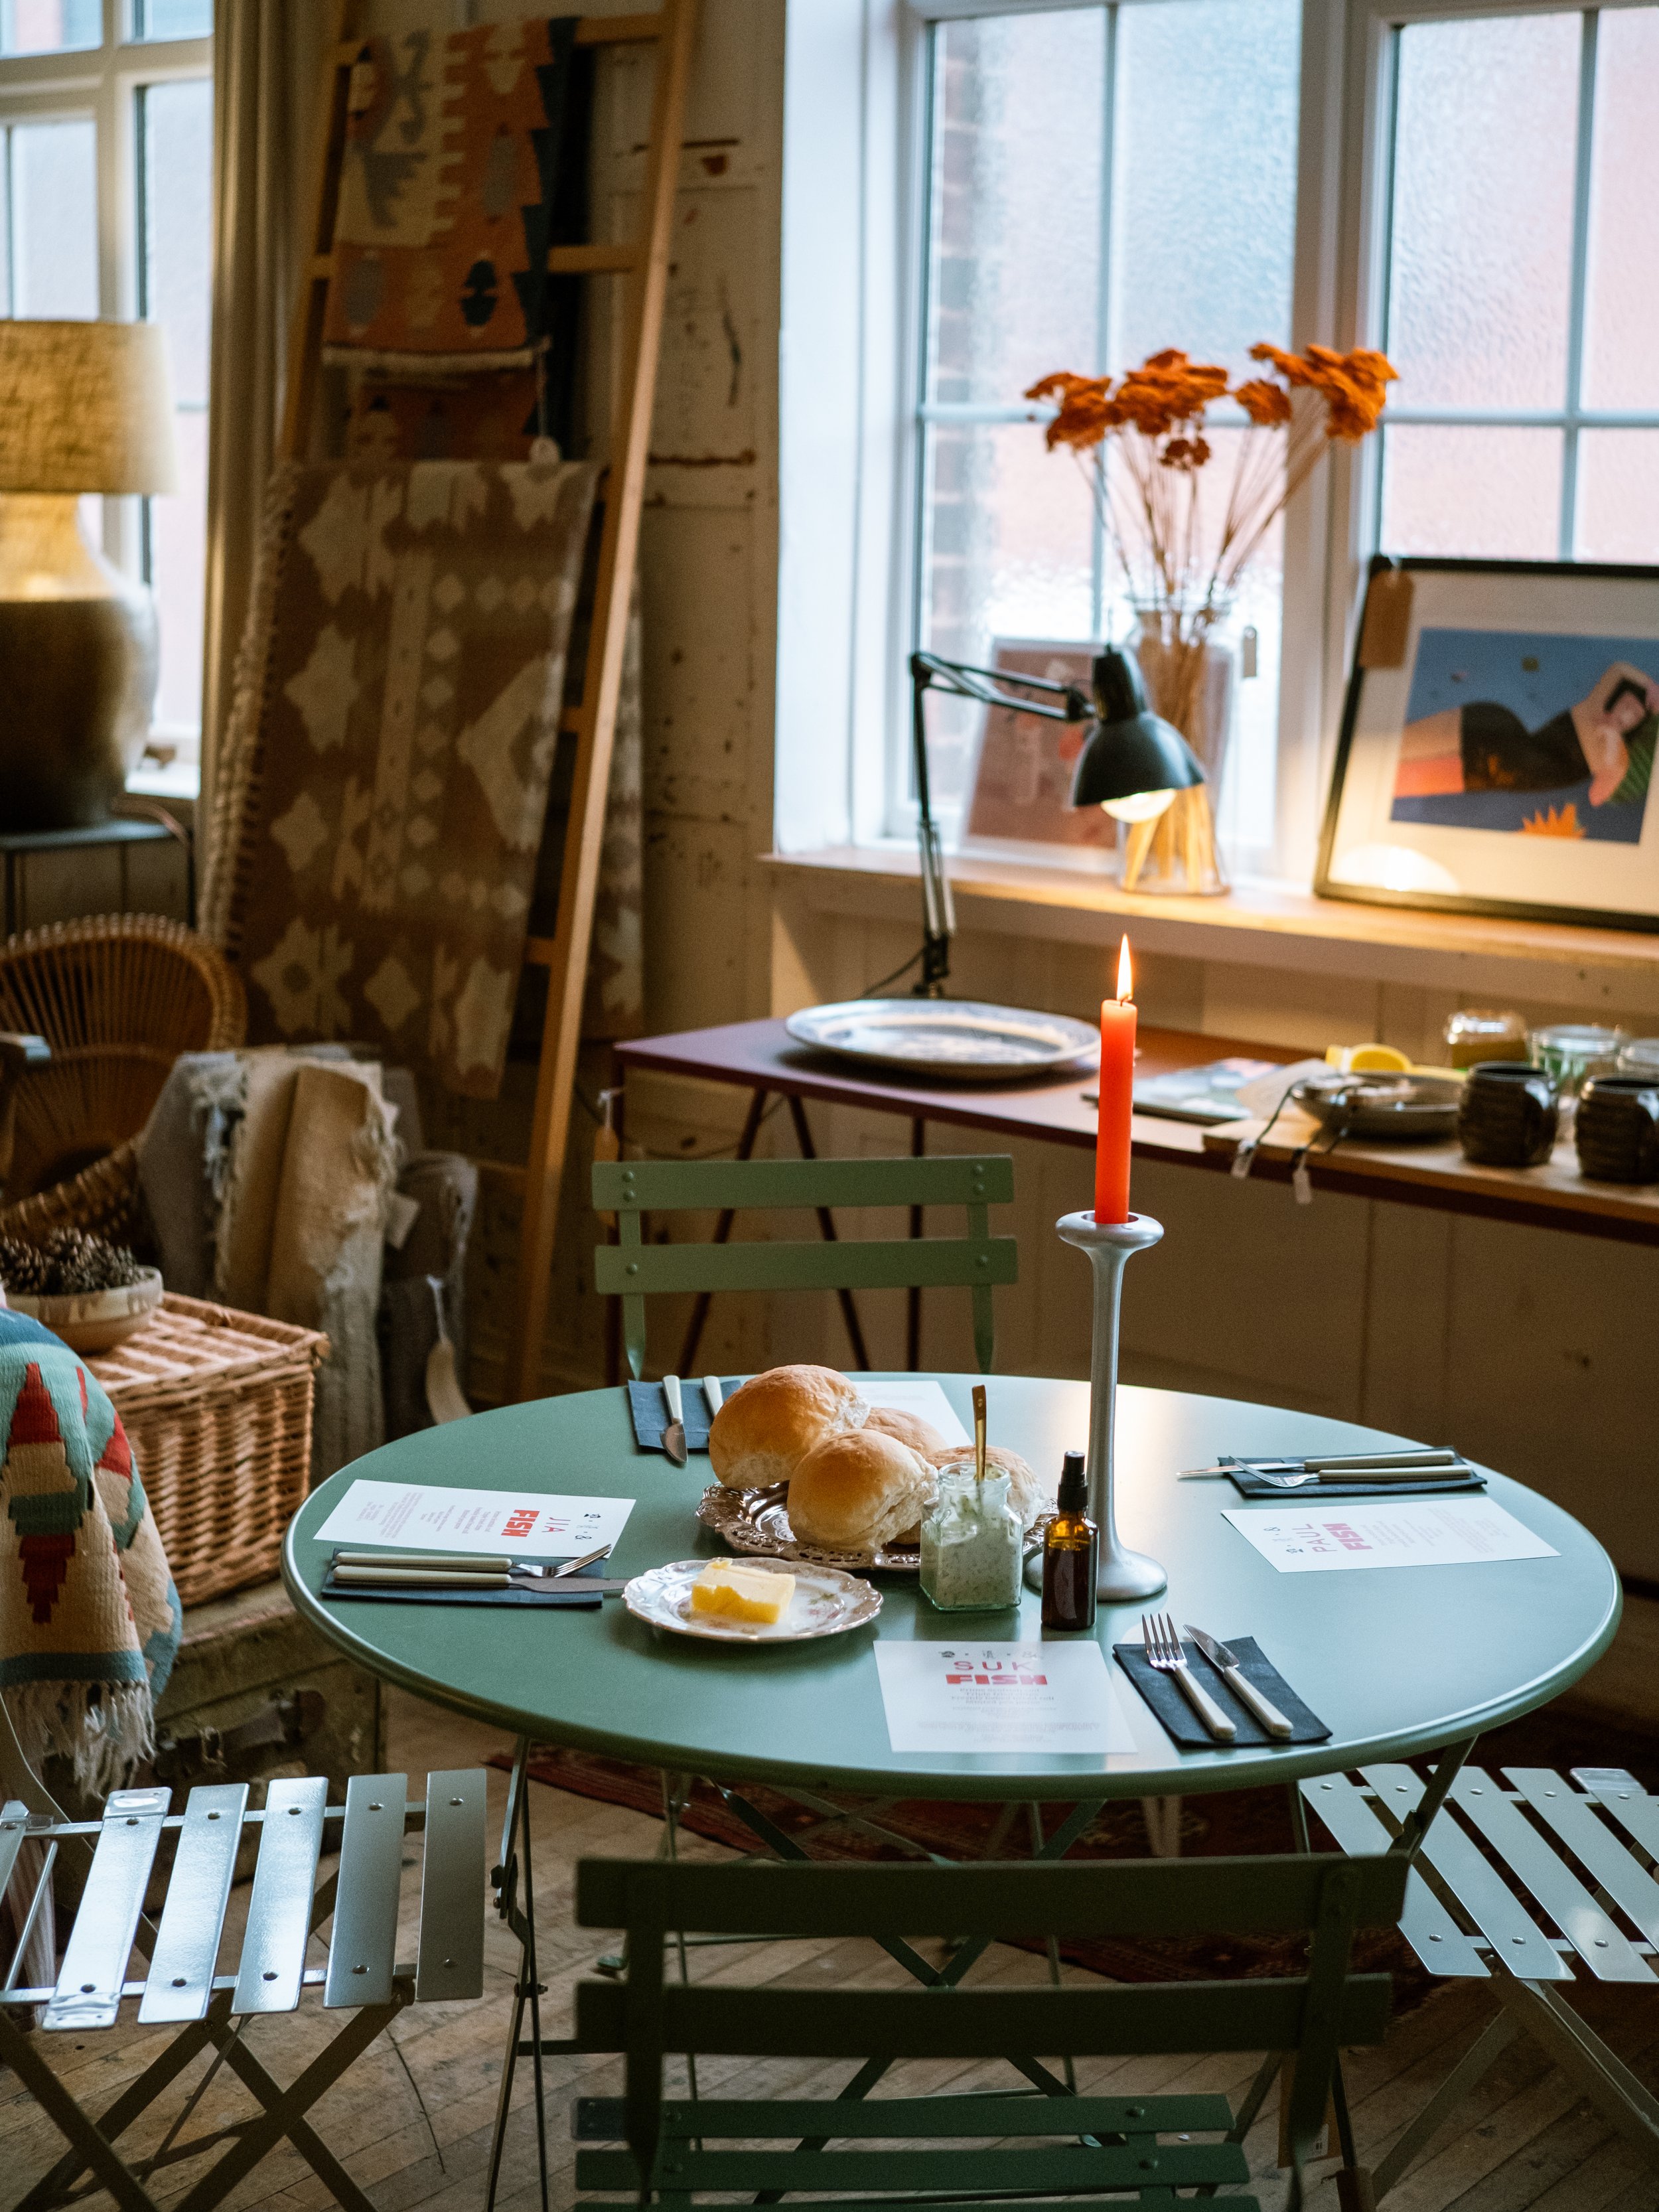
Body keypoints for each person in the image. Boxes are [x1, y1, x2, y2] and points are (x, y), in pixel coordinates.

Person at [1396, 660, 1659, 808]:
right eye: (1625, 706)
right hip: (1493, 731)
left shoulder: (1618, 759)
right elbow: (1618, 669)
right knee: (1395, 750)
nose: (1625, 715)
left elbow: (1597, 797)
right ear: (1616, 701)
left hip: (1487, 775)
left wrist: (1612, 740)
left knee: (1397, 781)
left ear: (1638, 725)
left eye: (1634, 715)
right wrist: (1649, 685)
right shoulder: (1592, 712)